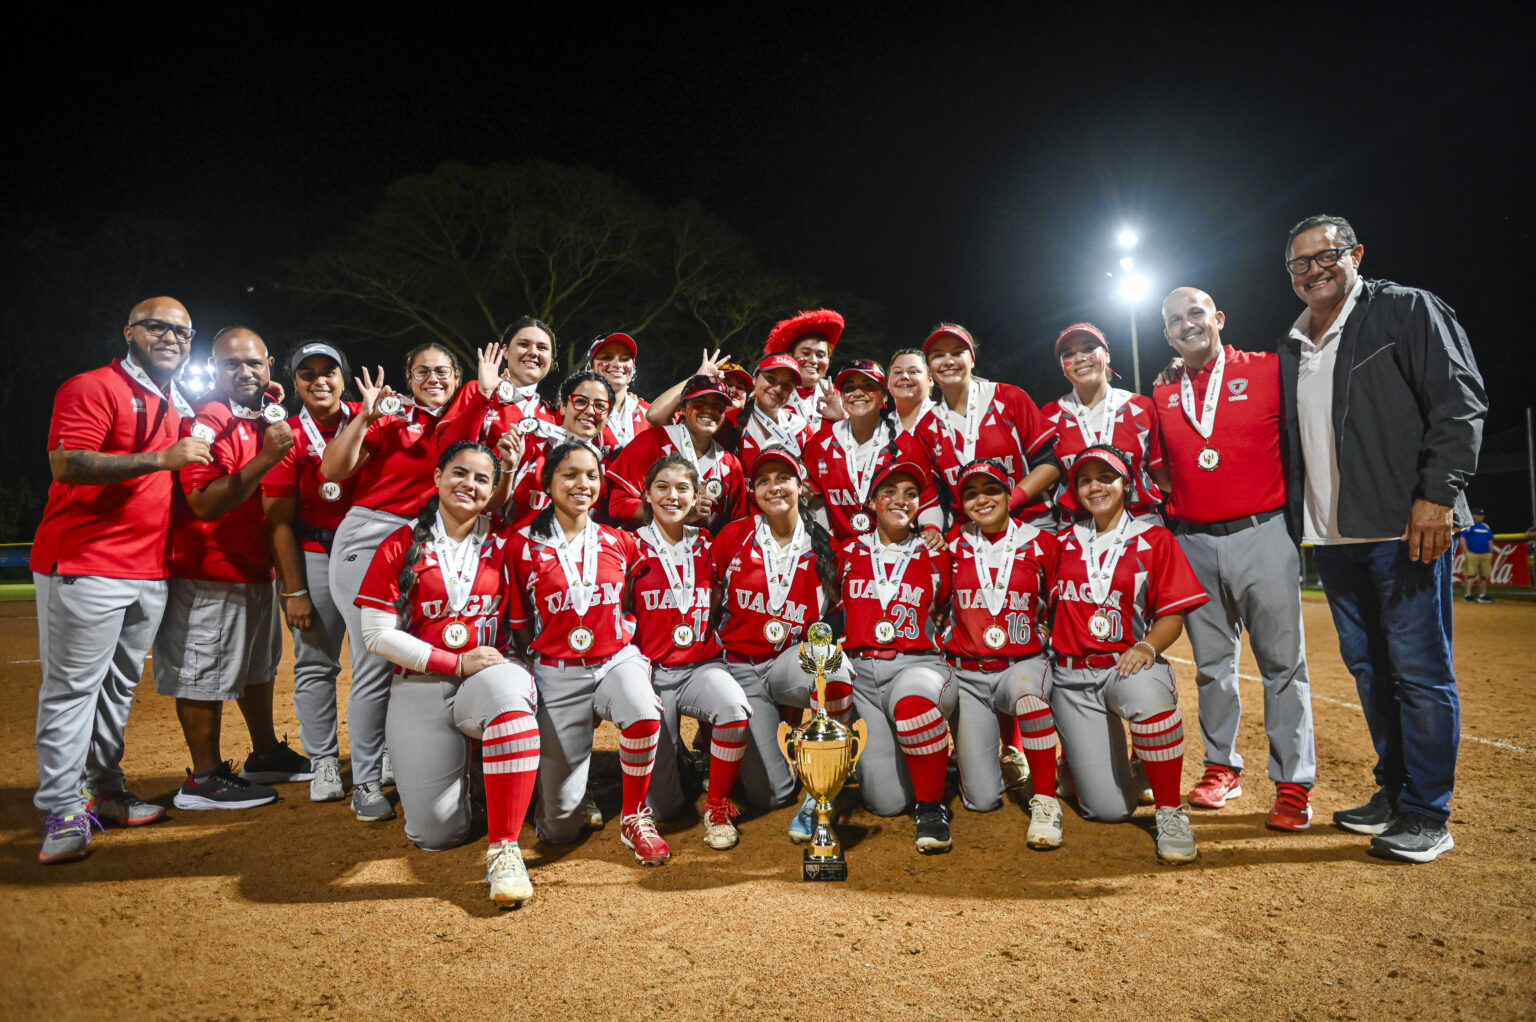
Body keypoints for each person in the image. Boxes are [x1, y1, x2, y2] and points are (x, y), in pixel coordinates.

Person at [1277, 214, 1486, 863]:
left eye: (1326, 255)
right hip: (1334, 538)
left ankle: (1428, 814)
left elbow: (1461, 403)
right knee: (1371, 671)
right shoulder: (1294, 346)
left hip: (1404, 527)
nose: (1314, 269)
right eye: (1300, 264)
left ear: (1356, 253)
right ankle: (1394, 792)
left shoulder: (1406, 310)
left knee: (1420, 672)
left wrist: (1438, 495)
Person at [31, 297, 208, 863]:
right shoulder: (92, 386)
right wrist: (160, 460)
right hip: (87, 560)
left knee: (117, 689)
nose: (171, 338)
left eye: (181, 331)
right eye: (157, 326)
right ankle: (62, 808)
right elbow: (68, 462)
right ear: (130, 331)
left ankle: (105, 790)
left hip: (149, 567)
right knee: (72, 691)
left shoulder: (173, 397)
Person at [1150, 287, 1317, 831]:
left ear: (1218, 318)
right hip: (1194, 541)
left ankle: (1293, 784)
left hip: (1262, 531)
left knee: (1282, 665)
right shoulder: (1163, 392)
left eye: (1195, 313)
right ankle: (1222, 768)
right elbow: (1164, 468)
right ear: (1168, 334)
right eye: (1175, 320)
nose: (1186, 325)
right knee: (1212, 668)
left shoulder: (1269, 370)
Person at [354, 441, 540, 906]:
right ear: (437, 477)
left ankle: (505, 849)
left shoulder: (505, 542)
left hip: (488, 674)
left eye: (482, 479)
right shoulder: (400, 543)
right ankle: (474, 778)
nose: (469, 485)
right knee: (436, 834)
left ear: (494, 490)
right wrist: (453, 662)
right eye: (459, 473)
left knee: (511, 703)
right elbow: (376, 636)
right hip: (423, 681)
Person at [154, 326, 310, 811]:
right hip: (209, 569)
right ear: (213, 368)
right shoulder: (206, 419)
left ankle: (264, 754)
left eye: (254, 364)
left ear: (269, 366)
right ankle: (202, 779)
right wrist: (266, 457)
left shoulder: (261, 411)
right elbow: (202, 502)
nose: (245, 372)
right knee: (203, 674)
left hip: (253, 566)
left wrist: (269, 406)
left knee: (258, 668)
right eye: (232, 364)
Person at [508, 442, 671, 866]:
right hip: (557, 673)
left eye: (592, 476)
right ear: (548, 483)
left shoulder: (620, 541)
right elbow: (519, 622)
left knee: (643, 709)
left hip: (615, 659)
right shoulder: (521, 547)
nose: (583, 484)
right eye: (570, 475)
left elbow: (636, 598)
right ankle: (563, 798)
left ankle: (635, 815)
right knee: (559, 829)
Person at [321, 342, 465, 822]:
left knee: (418, 655)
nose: (433, 379)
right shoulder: (391, 417)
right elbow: (332, 470)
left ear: (456, 376)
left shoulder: (465, 420)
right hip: (373, 532)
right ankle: (364, 780)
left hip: (429, 541)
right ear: (408, 375)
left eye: (442, 371)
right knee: (374, 659)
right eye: (422, 371)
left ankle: (393, 757)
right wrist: (363, 418)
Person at [1049, 444, 1209, 864]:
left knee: (1149, 700)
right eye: (1085, 480)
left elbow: (1173, 614)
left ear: (1127, 483)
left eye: (1106, 477)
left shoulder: (1154, 537)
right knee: (1108, 810)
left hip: (1125, 666)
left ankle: (1171, 811)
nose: (1095, 486)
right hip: (1072, 679)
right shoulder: (1059, 542)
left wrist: (1147, 645)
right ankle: (1080, 765)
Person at [711, 446, 853, 837]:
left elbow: (836, 619)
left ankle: (824, 786)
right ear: (753, 490)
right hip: (740, 667)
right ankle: (766, 750)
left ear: (800, 485)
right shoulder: (733, 536)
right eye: (763, 481)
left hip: (788, 660)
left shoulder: (825, 545)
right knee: (771, 794)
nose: (774, 487)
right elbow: (710, 601)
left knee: (835, 671)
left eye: (783, 478)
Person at [630, 455, 754, 848]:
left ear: (696, 496)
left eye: (682, 488)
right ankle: (682, 763)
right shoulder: (629, 547)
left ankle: (717, 805)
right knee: (664, 808)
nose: (672, 495)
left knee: (734, 709)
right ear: (647, 494)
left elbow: (721, 595)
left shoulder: (707, 544)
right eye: (662, 486)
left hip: (701, 667)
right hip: (651, 673)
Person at [941, 460, 1063, 849]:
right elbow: (937, 603)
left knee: (1030, 699)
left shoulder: (1042, 543)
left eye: (991, 490)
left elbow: (1062, 603)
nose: (982, 499)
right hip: (970, 674)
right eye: (971, 493)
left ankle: (1045, 798)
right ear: (962, 503)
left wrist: (1044, 635)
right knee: (980, 801)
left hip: (1021, 664)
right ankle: (1002, 768)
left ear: (1010, 495)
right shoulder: (952, 544)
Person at [837, 461, 955, 852]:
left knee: (914, 706)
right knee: (885, 803)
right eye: (889, 491)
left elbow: (951, 608)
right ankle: (921, 760)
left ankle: (931, 807)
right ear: (872, 502)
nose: (900, 500)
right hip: (865, 678)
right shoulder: (848, 551)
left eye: (910, 493)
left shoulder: (936, 553)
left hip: (918, 664)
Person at [261, 341, 360, 803]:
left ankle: (373, 753)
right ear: (295, 382)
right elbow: (278, 519)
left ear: (343, 377)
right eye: (307, 373)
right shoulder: (288, 434)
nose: (319, 380)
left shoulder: (368, 414)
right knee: (317, 663)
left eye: (329, 371)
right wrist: (293, 590)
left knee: (375, 663)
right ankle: (323, 760)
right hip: (316, 553)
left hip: (368, 555)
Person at [917, 323, 1059, 528]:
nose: (948, 361)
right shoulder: (928, 425)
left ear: (972, 360)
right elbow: (935, 494)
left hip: (1026, 523)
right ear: (929, 367)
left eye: (957, 353)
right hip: (969, 533)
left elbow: (1050, 464)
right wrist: (932, 529)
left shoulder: (1009, 397)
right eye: (938, 355)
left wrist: (1009, 501)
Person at [803, 359, 943, 545]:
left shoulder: (906, 444)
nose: (858, 393)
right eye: (850, 388)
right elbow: (816, 500)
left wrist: (931, 529)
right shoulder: (821, 441)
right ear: (843, 396)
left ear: (885, 395)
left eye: (869, 386)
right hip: (841, 550)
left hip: (893, 550)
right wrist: (826, 542)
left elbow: (928, 501)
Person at [1042, 323, 1162, 522]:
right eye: (1068, 354)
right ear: (1062, 367)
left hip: (1140, 524)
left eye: (1089, 348)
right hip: (1077, 529)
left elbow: (1163, 475)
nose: (1079, 358)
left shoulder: (1142, 407)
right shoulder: (1048, 416)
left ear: (1107, 356)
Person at [607, 375, 748, 534]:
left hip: (702, 556)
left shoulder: (730, 464)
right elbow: (618, 505)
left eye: (718, 404)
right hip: (647, 552)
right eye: (699, 402)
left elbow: (738, 525)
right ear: (682, 408)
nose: (709, 410)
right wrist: (678, 512)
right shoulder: (652, 441)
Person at [500, 370, 619, 530]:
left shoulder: (608, 468)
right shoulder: (531, 442)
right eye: (581, 402)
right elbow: (493, 507)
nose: (590, 411)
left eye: (600, 406)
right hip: (518, 549)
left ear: (608, 416)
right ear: (563, 406)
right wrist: (508, 468)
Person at [722, 354, 815, 467]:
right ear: (755, 379)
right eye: (771, 378)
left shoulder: (802, 429)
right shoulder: (728, 421)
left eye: (787, 384)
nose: (777, 389)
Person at [762, 308, 846, 430]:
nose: (813, 360)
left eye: (820, 355)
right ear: (790, 357)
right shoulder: (770, 393)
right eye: (806, 353)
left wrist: (842, 419)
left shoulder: (842, 397)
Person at [586, 332, 650, 446]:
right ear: (591, 367)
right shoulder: (577, 410)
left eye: (625, 359)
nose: (617, 364)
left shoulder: (649, 414)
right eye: (607, 358)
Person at [886, 349, 938, 436]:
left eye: (913, 372)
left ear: (930, 380)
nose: (904, 376)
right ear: (888, 382)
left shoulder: (948, 417)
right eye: (898, 372)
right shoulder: (880, 427)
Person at [1458, 508, 1495, 603]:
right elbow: (1462, 538)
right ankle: (1468, 595)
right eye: (1478, 514)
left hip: (1485, 555)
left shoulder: (1485, 526)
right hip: (1472, 554)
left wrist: (1491, 551)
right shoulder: (1469, 525)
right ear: (1473, 515)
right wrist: (1466, 552)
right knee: (1470, 575)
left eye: (1482, 515)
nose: (1480, 516)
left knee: (1483, 576)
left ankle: (1482, 596)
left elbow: (1490, 539)